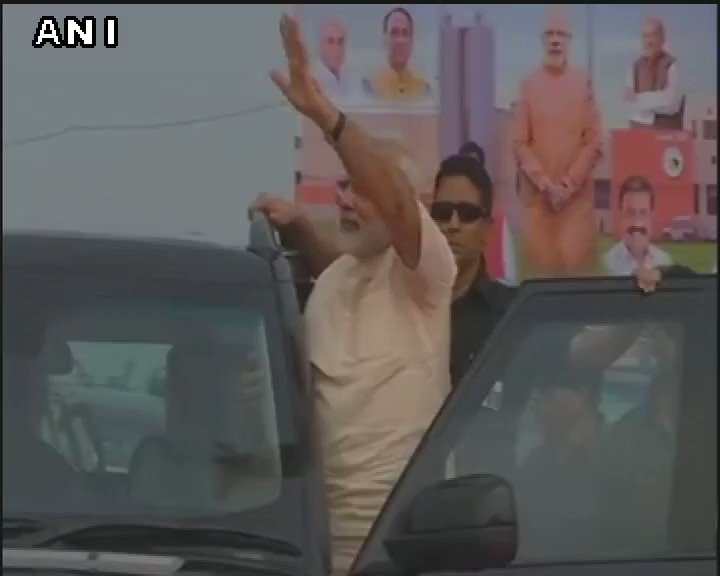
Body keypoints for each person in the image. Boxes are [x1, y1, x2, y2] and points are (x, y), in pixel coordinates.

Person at [262, 14, 456, 574]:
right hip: (315, 546)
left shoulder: (425, 273)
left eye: (361, 188)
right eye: (343, 187)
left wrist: (323, 113)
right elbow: (344, 269)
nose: (348, 199)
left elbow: (393, 206)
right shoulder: (337, 280)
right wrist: (299, 223)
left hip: (405, 547)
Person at [512, 10, 602, 277]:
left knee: (577, 279)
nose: (554, 40)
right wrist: (545, 184)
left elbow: (595, 139)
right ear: (542, 40)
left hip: (576, 204)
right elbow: (519, 142)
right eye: (550, 34)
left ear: (569, 40)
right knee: (541, 277)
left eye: (560, 34)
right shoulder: (529, 85)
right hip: (540, 203)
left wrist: (569, 184)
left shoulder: (582, 82)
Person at [429, 151, 515, 386]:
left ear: (487, 228)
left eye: (467, 214)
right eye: (443, 213)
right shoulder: (403, 305)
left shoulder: (511, 315)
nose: (452, 225)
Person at [603, 175, 672, 276]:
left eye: (643, 212)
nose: (637, 222)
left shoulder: (664, 261)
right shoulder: (607, 265)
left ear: (652, 215)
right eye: (630, 212)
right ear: (620, 214)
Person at [625, 18, 684, 130]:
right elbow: (629, 105)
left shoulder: (672, 64)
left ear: (662, 39)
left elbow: (671, 104)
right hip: (639, 135)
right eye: (645, 36)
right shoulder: (634, 67)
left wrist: (639, 99)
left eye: (653, 36)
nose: (648, 41)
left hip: (666, 136)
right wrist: (659, 98)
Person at [363, 7, 430, 102]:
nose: (400, 40)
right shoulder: (369, 87)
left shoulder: (424, 89)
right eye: (394, 33)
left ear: (411, 41)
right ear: (384, 39)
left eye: (405, 33)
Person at [315, 19, 356, 101]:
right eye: (330, 41)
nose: (336, 48)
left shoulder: (353, 79)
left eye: (340, 42)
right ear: (321, 45)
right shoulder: (311, 80)